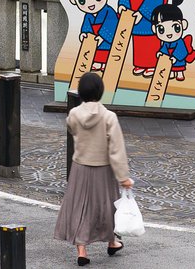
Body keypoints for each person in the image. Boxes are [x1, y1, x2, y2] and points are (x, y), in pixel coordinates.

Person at [55, 71, 132, 265]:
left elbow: (71, 128)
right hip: (103, 169)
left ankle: (82, 250)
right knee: (106, 207)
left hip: (80, 167)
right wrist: (123, 177)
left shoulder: (74, 114)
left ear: (80, 92)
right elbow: (116, 149)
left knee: (80, 207)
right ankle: (112, 242)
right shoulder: (109, 117)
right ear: (101, 91)